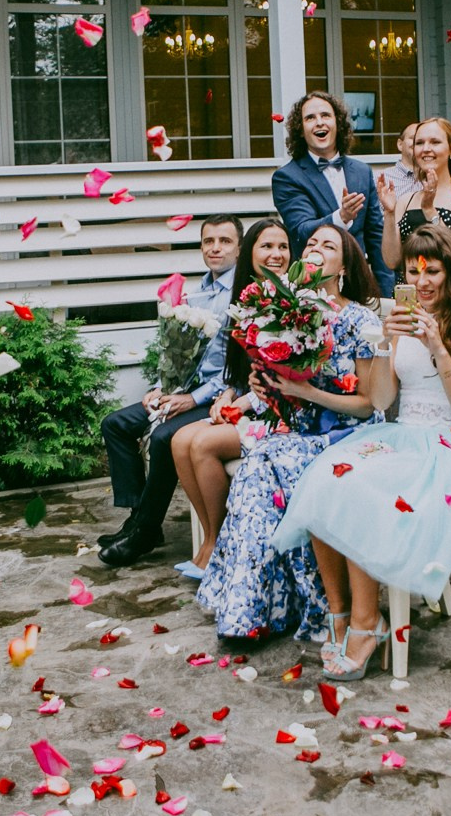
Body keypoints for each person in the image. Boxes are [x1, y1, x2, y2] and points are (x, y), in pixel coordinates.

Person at [274, 226, 451, 680]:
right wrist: (382, 342)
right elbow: (380, 399)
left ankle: (367, 622)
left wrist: (438, 348)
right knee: (325, 476)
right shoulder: (401, 321)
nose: (423, 282)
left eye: (433, 271)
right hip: (403, 435)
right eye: (414, 272)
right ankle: (339, 613)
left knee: (362, 492)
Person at [195, 224, 382, 642]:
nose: (316, 249)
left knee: (265, 460)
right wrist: (264, 386)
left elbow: (369, 404)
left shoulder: (360, 319)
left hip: (350, 433)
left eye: (328, 246)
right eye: (311, 243)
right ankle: (255, 610)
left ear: (344, 267)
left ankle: (296, 605)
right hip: (299, 429)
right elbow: (280, 380)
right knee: (256, 469)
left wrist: (307, 392)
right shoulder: (289, 309)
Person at [95, 215, 242, 568]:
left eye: (224, 241)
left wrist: (192, 399)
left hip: (213, 397)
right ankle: (138, 518)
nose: (215, 248)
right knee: (115, 424)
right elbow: (179, 352)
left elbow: (237, 369)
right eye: (208, 241)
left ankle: (145, 531)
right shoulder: (198, 290)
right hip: (182, 389)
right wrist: (160, 387)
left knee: (163, 437)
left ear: (239, 248)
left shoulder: (241, 295)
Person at [170, 217, 294, 578]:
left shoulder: (294, 302)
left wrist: (240, 404)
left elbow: (283, 378)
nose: (276, 254)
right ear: (251, 253)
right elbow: (239, 368)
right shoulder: (248, 300)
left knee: (202, 444)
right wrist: (227, 393)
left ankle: (218, 547)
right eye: (267, 246)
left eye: (283, 247)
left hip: (282, 413)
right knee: (179, 441)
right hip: (250, 402)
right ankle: (213, 538)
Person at [271, 90, 394, 294]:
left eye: (325, 115)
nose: (319, 122)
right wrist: (341, 217)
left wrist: (386, 292)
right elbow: (302, 230)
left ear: (338, 124)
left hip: (359, 286)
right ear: (300, 130)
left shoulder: (362, 171)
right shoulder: (287, 177)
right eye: (310, 118)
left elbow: (375, 236)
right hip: (313, 288)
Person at [379, 115, 451, 271]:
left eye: (435, 142)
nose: (426, 148)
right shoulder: (406, 200)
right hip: (409, 285)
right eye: (419, 143)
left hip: (446, 285)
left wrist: (429, 210)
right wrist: (389, 213)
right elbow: (392, 261)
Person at [380, 120, 423, 212]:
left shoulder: (437, 178)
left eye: (421, 140)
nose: (417, 142)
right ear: (400, 144)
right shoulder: (380, 179)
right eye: (413, 138)